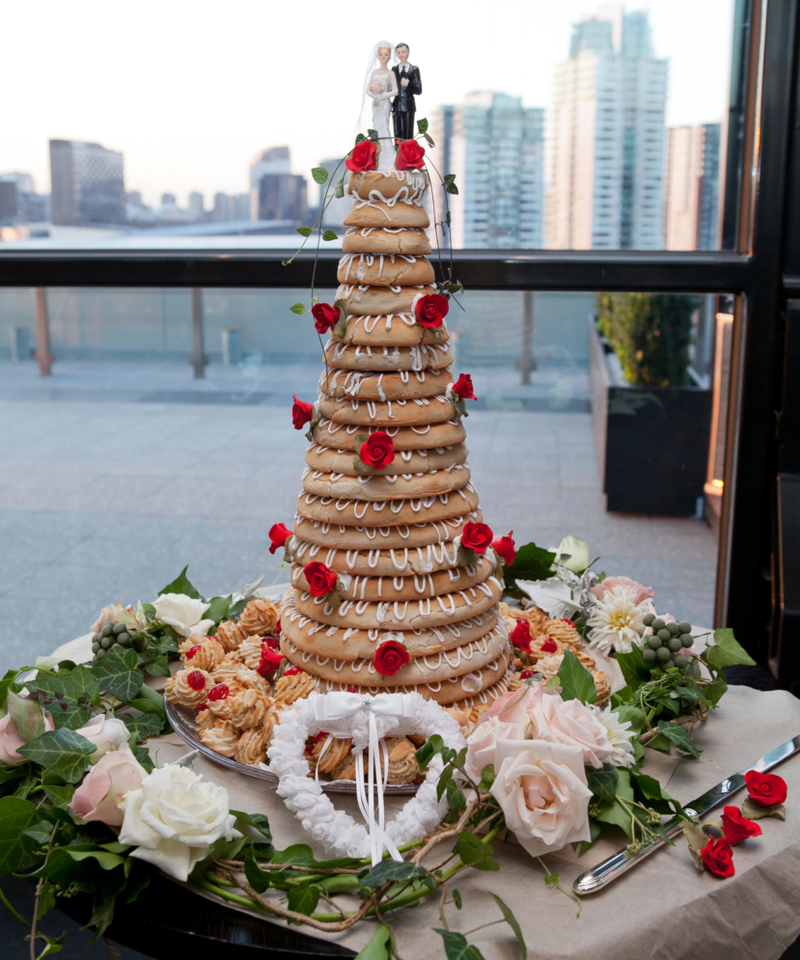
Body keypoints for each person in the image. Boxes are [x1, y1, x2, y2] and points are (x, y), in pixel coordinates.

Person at [363, 42, 399, 171]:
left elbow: (395, 91)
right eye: (381, 54)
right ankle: (377, 157)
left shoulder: (390, 73)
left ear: (389, 56)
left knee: (384, 127)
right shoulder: (374, 72)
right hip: (376, 104)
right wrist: (375, 95)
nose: (384, 56)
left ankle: (388, 158)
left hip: (384, 103)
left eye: (386, 54)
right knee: (376, 127)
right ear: (377, 56)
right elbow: (368, 90)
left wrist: (383, 95)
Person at [392, 43, 422, 143]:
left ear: (408, 52)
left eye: (403, 52)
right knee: (397, 136)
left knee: (408, 136)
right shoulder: (394, 70)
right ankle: (397, 153)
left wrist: (408, 84)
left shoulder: (414, 69)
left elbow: (418, 89)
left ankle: (407, 154)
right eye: (398, 52)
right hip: (397, 106)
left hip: (408, 105)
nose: (401, 54)